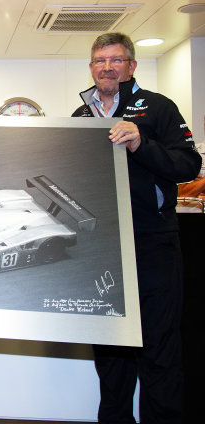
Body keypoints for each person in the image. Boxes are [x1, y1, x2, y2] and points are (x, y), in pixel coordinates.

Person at [72, 32, 201, 423]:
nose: (107, 67)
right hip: (103, 247)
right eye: (99, 60)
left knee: (159, 347)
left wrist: (140, 143)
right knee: (110, 351)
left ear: (131, 65)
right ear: (91, 67)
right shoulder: (80, 116)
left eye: (115, 60)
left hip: (152, 243)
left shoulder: (158, 108)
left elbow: (187, 166)